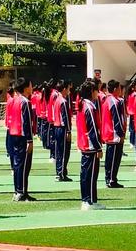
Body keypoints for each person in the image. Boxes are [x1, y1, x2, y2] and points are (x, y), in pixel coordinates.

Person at [77, 80, 105, 210]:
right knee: (91, 174)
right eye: (96, 90)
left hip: (85, 144)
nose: (98, 93)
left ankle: (88, 199)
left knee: (86, 174)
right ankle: (89, 200)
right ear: (91, 92)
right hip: (90, 145)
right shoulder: (89, 107)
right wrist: (98, 146)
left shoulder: (83, 105)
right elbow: (92, 128)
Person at [10, 78, 35, 202]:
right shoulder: (25, 102)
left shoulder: (15, 100)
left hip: (14, 135)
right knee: (24, 165)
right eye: (31, 85)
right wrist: (30, 140)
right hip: (22, 136)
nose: (32, 87)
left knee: (17, 165)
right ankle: (22, 191)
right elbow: (27, 123)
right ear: (25, 88)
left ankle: (17, 190)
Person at [101, 79, 125, 188]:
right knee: (114, 159)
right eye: (119, 88)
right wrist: (121, 133)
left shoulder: (107, 100)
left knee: (111, 158)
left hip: (109, 132)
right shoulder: (114, 101)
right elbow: (117, 119)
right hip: (113, 134)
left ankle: (110, 178)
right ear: (115, 89)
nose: (121, 90)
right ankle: (111, 179)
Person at [53, 80, 72, 182]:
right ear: (64, 89)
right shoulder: (63, 101)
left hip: (57, 127)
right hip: (62, 128)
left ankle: (59, 171)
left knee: (59, 151)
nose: (69, 90)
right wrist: (68, 131)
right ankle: (62, 173)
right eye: (68, 88)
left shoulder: (57, 100)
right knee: (64, 152)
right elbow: (66, 118)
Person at [5, 82, 15, 172]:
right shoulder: (15, 100)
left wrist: (7, 124)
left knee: (10, 147)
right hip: (15, 127)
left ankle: (12, 167)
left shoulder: (9, 100)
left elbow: (7, 114)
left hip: (9, 125)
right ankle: (14, 167)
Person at [126, 81, 136, 148]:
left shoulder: (130, 94)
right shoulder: (134, 95)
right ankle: (133, 142)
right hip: (134, 113)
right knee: (134, 129)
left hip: (131, 113)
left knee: (131, 129)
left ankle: (131, 142)